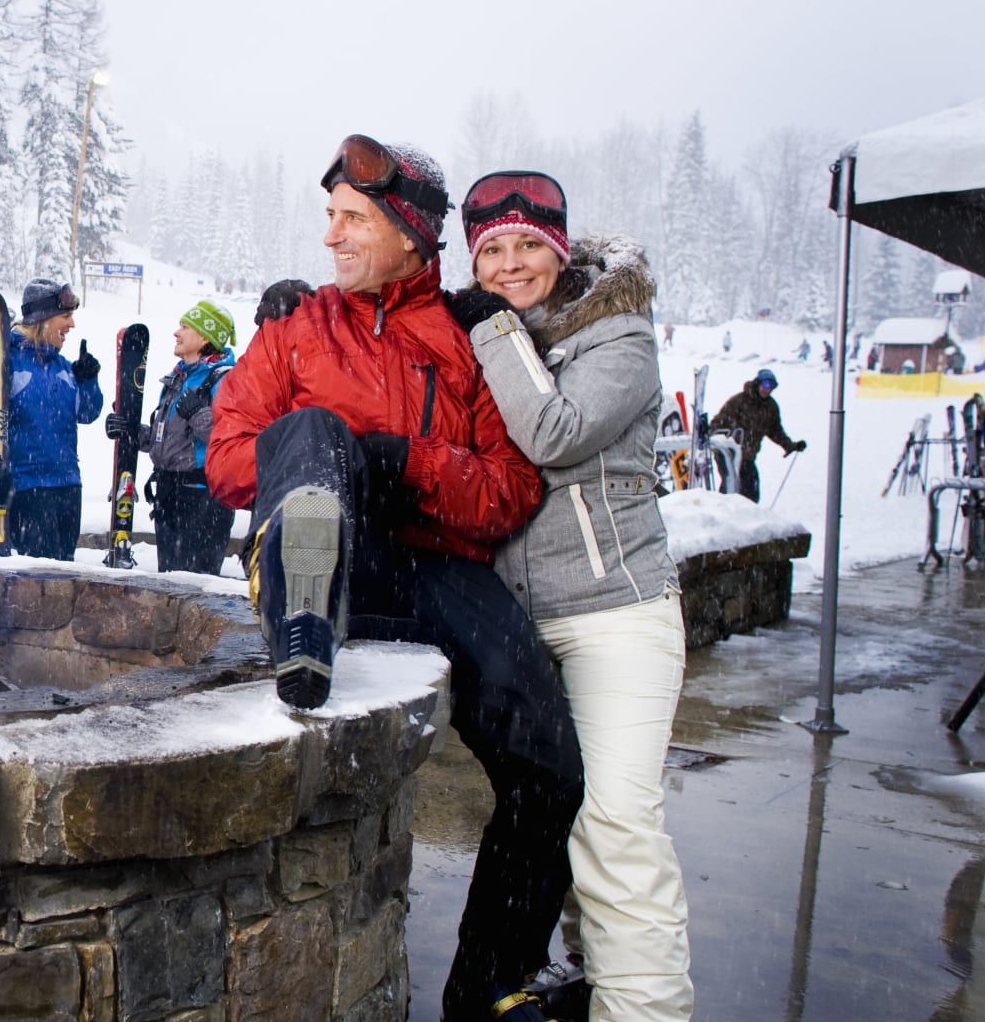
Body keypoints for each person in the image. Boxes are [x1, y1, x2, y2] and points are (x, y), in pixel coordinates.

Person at [208, 134, 579, 1022]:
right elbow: (224, 461)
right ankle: (303, 614)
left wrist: (404, 460)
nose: (330, 237)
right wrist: (328, 453)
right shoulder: (295, 328)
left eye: (351, 219)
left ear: (410, 235)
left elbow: (511, 488)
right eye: (329, 217)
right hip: (330, 552)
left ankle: (492, 986)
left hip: (432, 564)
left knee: (550, 767)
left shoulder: (467, 338)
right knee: (310, 438)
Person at [449, 170, 692, 1021]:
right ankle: (596, 978)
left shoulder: (616, 335)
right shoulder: (493, 332)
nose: (510, 264)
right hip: (525, 619)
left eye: (527, 246)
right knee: (561, 812)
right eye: (491, 251)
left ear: (561, 250)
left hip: (617, 616)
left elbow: (553, 433)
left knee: (618, 826)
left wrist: (493, 332)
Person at [0, 278, 105, 560]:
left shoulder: (63, 367)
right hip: (28, 490)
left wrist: (89, 381)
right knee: (33, 587)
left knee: (63, 582)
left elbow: (86, 414)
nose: (72, 325)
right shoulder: (6, 362)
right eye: (66, 317)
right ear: (44, 320)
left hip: (68, 488)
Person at [136, 300, 237, 574]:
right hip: (170, 495)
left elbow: (231, 443)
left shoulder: (224, 380)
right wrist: (135, 434)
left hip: (203, 501)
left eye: (184, 327)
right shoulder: (179, 378)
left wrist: (199, 414)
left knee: (195, 594)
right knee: (169, 588)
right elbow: (169, 440)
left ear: (205, 336)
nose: (176, 333)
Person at [710, 368, 804, 502]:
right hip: (728, 454)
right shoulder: (739, 401)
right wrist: (713, 440)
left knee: (750, 492)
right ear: (758, 383)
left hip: (748, 457)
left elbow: (775, 430)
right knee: (731, 487)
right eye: (765, 385)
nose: (768, 389)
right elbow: (719, 422)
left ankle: (745, 519)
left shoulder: (770, 407)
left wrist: (790, 445)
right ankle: (724, 516)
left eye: (772, 387)